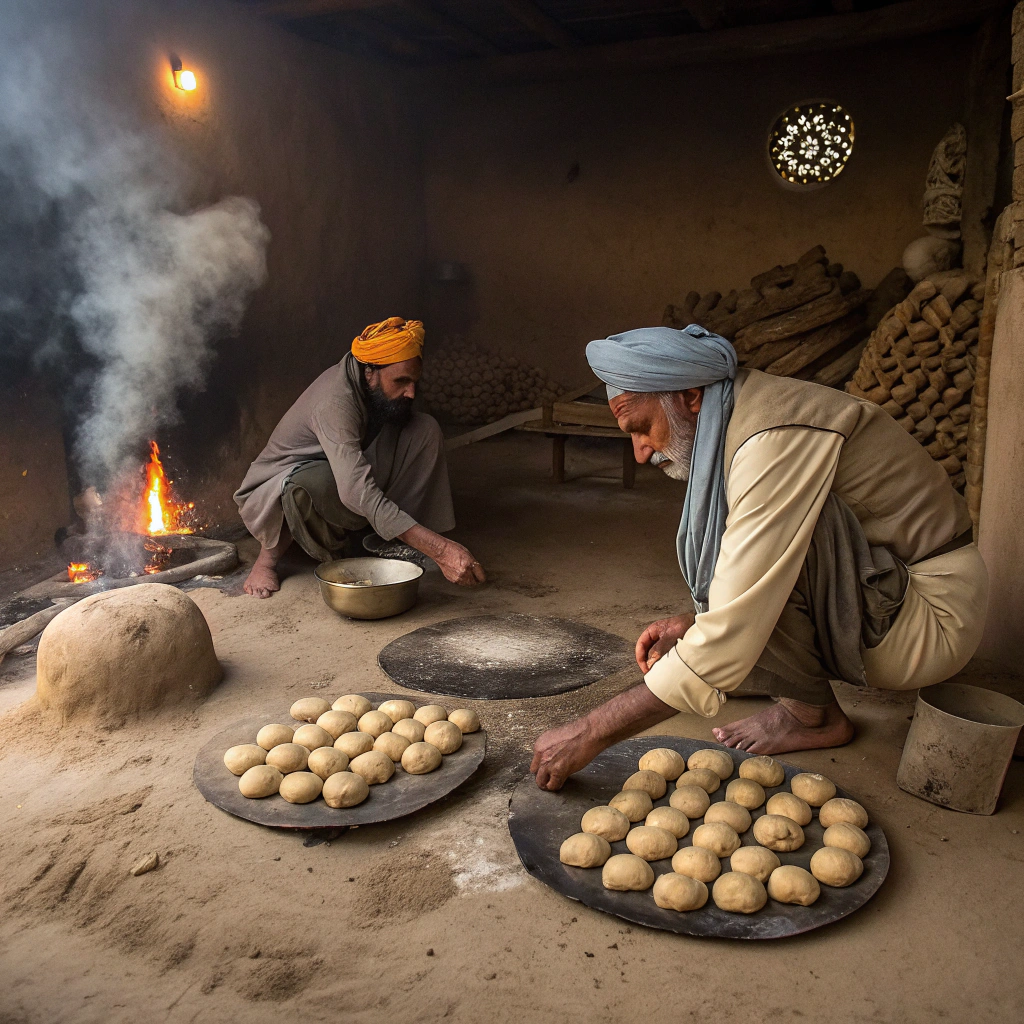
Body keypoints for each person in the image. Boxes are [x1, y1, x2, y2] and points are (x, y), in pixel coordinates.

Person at [530, 324, 987, 790]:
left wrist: (589, 732)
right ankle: (761, 673)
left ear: (690, 398)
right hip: (885, 591)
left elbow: (743, 605)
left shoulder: (773, 435)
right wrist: (698, 623)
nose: (641, 451)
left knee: (754, 563)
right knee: (741, 574)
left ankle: (812, 717)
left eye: (641, 428)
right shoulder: (741, 412)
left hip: (932, 616)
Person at [234, 316, 485, 597]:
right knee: (313, 483)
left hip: (340, 466)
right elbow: (355, 490)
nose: (411, 391)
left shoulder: (371, 384)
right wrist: (440, 549)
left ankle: (389, 540)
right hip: (278, 486)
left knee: (423, 428)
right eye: (401, 381)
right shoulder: (334, 402)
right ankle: (266, 561)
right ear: (370, 372)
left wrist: (425, 538)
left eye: (414, 381)